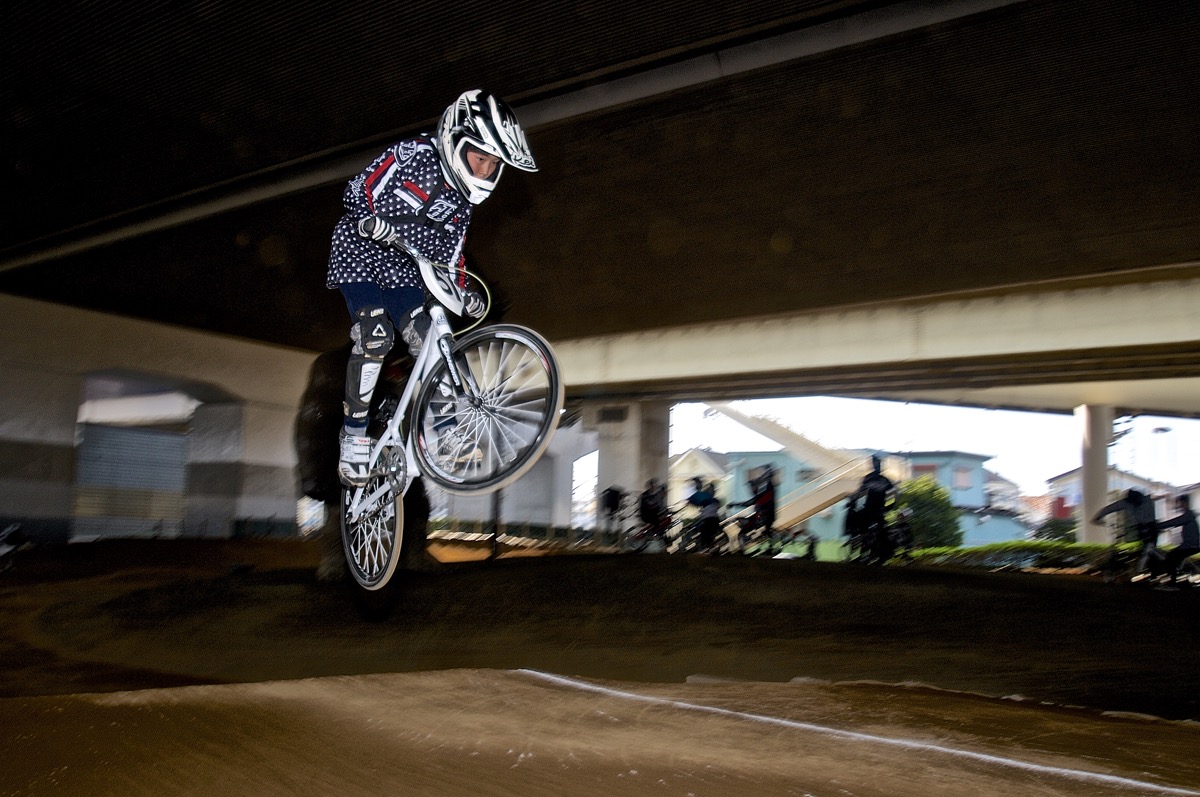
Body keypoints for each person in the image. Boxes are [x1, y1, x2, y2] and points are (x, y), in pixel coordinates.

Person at [326, 90, 538, 487]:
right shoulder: (415, 156)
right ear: (457, 142)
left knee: (430, 340)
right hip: (361, 250)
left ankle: (446, 429)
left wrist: (464, 290)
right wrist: (371, 218)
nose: (485, 171)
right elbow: (359, 188)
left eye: (493, 166)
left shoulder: (462, 204)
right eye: (481, 159)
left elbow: (453, 254)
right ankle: (353, 436)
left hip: (404, 267)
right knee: (375, 337)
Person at [1157, 494, 1199, 589]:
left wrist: (1158, 526)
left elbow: (1175, 522)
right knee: (1175, 556)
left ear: (1184, 503)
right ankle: (1179, 578)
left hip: (1190, 546)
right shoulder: (1189, 515)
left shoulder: (1188, 515)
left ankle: (1173, 583)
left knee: (1170, 556)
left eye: (1180, 503)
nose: (1179, 505)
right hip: (1190, 545)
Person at [685, 477, 722, 552]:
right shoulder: (708, 497)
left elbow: (695, 501)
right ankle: (708, 546)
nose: (713, 491)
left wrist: (690, 502)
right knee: (707, 534)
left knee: (706, 533)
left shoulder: (706, 497)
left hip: (709, 519)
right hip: (711, 519)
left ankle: (707, 546)